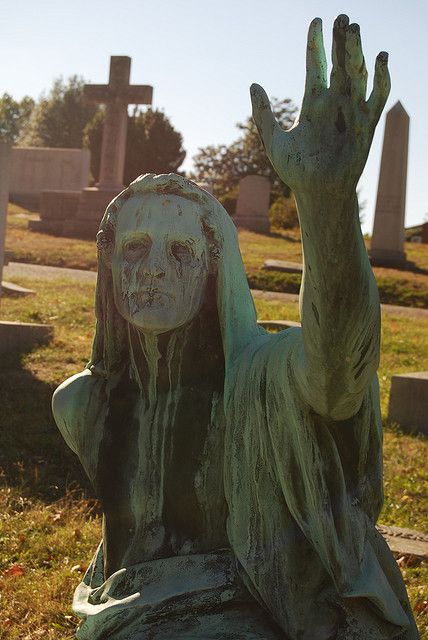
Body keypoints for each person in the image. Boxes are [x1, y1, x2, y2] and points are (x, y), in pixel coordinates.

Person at [53, 15, 418, 640]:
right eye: (136, 247)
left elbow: (336, 375)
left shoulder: (258, 380)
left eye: (180, 252)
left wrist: (325, 204)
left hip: (259, 609)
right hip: (129, 610)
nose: (153, 271)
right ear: (109, 262)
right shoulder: (84, 404)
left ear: (213, 272)